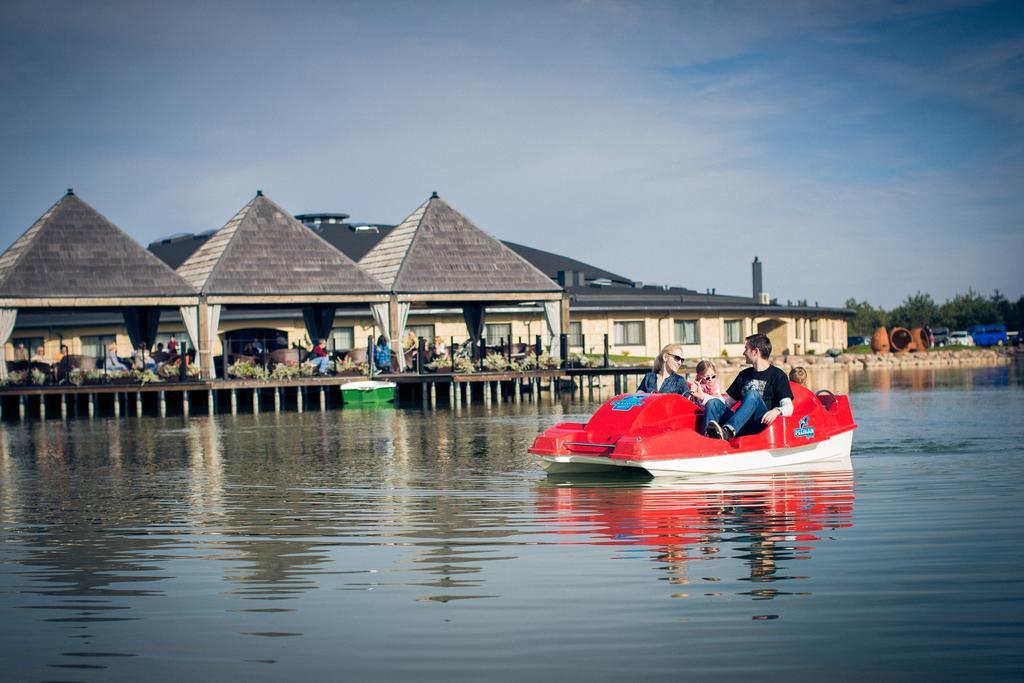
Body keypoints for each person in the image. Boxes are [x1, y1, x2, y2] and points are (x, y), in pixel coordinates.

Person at [703, 333, 794, 440]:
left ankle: (728, 432)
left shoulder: (778, 375)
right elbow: (727, 403)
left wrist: (776, 411)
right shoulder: (743, 375)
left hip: (761, 426)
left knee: (752, 394)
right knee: (713, 403)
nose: (744, 353)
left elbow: (789, 407)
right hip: (741, 424)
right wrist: (704, 396)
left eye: (746, 349)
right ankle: (706, 439)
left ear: (755, 352)